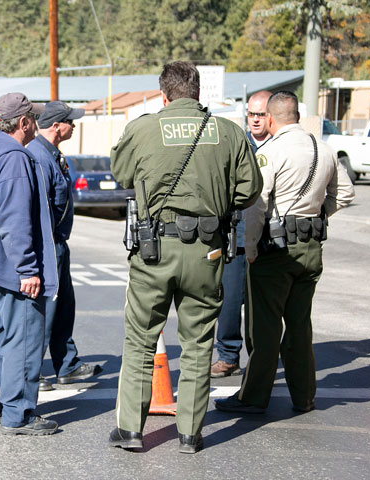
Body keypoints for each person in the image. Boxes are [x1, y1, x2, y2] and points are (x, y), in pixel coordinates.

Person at [109, 61, 262, 453]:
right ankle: (190, 433)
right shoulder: (227, 131)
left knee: (141, 339)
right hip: (207, 251)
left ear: (164, 94)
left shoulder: (143, 128)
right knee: (198, 342)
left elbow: (121, 173)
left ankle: (130, 430)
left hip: (154, 250)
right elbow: (249, 190)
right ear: (198, 92)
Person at [215, 91, 354, 414]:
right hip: (311, 248)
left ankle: (252, 398)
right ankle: (303, 397)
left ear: (273, 119)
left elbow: (256, 205)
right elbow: (345, 193)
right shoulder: (325, 149)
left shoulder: (271, 151)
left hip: (274, 250)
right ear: (299, 117)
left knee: (264, 328)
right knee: (300, 325)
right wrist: (317, 216)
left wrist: (249, 248)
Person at [0, 92, 59, 436]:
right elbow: (15, 220)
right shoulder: (16, 159)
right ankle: (17, 413)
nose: (35, 123)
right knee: (23, 338)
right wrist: (28, 269)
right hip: (13, 268)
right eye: (33, 118)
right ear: (23, 123)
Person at [26, 101, 102, 391]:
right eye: (71, 121)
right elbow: (39, 209)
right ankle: (34, 371)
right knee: (44, 310)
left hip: (58, 243)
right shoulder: (38, 157)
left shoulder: (52, 154)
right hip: (47, 244)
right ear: (56, 126)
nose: (74, 125)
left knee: (63, 307)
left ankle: (66, 365)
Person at [212, 90, 273, 378]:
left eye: (261, 114)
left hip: (271, 237)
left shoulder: (280, 146)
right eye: (251, 114)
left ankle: (265, 359)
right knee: (230, 299)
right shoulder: (236, 143)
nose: (256, 120)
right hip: (236, 236)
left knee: (265, 305)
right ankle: (228, 354)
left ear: (271, 115)